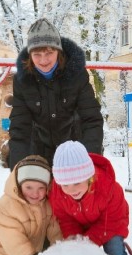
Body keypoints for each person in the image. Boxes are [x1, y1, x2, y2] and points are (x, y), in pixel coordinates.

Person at [7, 18, 104, 169]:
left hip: (74, 154)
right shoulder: (22, 81)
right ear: (30, 55)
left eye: (49, 53)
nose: (43, 60)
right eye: (37, 54)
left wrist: (90, 160)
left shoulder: (76, 75)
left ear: (58, 52)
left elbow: (91, 120)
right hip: (39, 156)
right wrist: (19, 170)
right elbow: (20, 128)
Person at [49, 140, 132, 255]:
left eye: (76, 183)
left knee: (114, 251)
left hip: (110, 225)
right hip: (79, 222)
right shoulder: (57, 192)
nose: (71, 190)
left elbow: (111, 221)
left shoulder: (109, 188)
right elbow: (65, 220)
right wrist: (77, 241)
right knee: (76, 254)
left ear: (89, 177)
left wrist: (89, 242)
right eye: (65, 185)